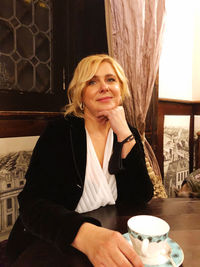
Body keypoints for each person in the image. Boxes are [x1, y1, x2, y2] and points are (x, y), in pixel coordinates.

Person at [6, 54, 154, 267]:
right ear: (80, 95)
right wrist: (82, 234)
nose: (104, 86)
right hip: (56, 246)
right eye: (92, 82)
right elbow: (32, 205)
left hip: (112, 239)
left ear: (120, 89)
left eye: (110, 79)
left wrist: (125, 137)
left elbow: (141, 195)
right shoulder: (59, 132)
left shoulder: (127, 132)